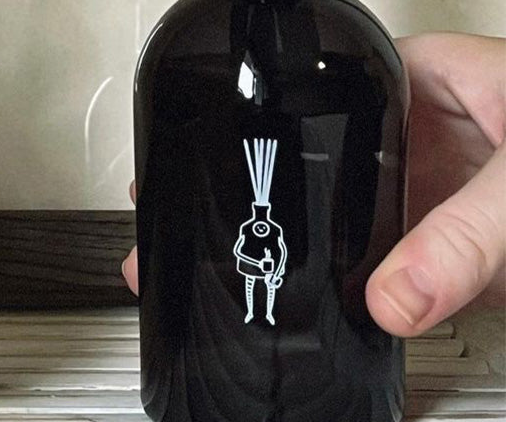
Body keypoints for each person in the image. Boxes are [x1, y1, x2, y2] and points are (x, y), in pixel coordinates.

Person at [122, 33, 506, 337]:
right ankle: (259, 312)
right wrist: (259, 261)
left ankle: (263, 309)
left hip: (276, 280)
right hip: (258, 273)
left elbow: (276, 245)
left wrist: (272, 265)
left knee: (266, 297)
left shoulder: (271, 227)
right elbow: (241, 247)